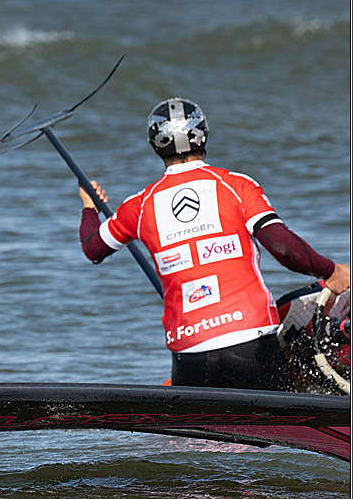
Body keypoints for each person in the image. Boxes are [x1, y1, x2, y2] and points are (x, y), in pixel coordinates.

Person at [77, 97, 350, 390]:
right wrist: (331, 271)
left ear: (155, 147)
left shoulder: (140, 206)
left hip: (190, 352)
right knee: (280, 432)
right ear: (203, 136)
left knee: (200, 436)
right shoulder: (235, 186)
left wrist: (89, 206)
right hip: (251, 341)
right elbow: (284, 249)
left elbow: (93, 247)